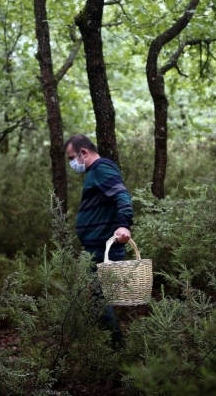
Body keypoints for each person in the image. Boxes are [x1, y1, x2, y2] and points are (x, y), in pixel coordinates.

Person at [64, 134, 132, 348]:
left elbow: (122, 196)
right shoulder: (95, 172)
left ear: (83, 152)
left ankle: (117, 351)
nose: (72, 164)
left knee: (99, 300)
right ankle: (107, 348)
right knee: (97, 298)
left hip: (103, 248)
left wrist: (124, 224)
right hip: (95, 247)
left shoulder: (101, 167)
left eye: (72, 157)